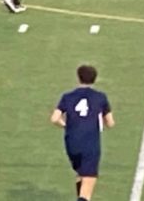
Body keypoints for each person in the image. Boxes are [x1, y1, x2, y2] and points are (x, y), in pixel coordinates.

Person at [51, 65, 115, 201]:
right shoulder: (100, 97)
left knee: (80, 174)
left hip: (71, 143)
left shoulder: (67, 97)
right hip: (89, 144)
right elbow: (110, 122)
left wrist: (67, 126)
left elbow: (55, 118)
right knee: (87, 188)